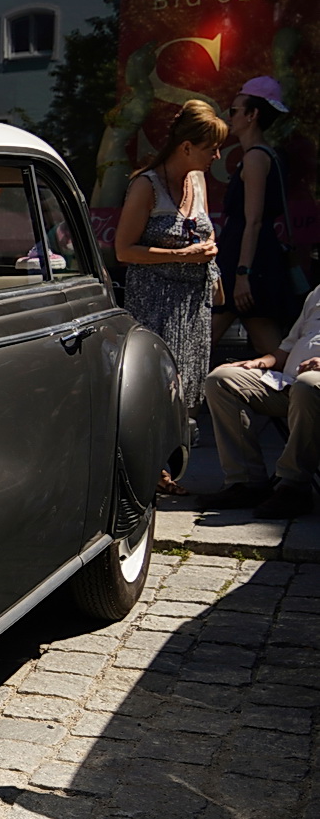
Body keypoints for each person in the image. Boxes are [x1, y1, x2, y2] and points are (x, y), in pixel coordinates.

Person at [114, 99, 227, 495]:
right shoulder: (147, 185)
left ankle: (164, 467)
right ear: (186, 147)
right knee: (156, 387)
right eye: (211, 147)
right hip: (155, 301)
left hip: (191, 302)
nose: (217, 155)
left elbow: (203, 231)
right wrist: (181, 255)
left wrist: (208, 248)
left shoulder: (196, 181)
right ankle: (146, 471)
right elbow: (124, 250)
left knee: (184, 387)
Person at [198, 283, 320, 519]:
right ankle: (246, 482)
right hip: (289, 382)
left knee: (308, 385)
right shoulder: (317, 292)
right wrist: (259, 362)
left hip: (312, 388)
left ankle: (294, 486)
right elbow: (287, 347)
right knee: (221, 379)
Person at [213, 77, 297, 354]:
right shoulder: (261, 155)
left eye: (235, 110)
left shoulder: (256, 158)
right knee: (267, 341)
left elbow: (254, 220)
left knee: (203, 341)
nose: (230, 116)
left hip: (248, 258)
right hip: (251, 257)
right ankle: (291, 393)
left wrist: (242, 273)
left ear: (253, 115)